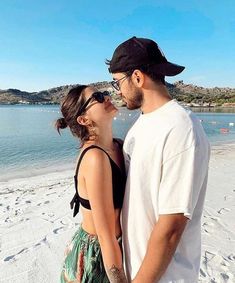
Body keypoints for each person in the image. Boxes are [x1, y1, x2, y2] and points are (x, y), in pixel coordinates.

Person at [106, 36, 210, 283]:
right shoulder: (141, 125)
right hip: (139, 270)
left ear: (138, 77)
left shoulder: (182, 128)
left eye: (117, 83)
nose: (117, 92)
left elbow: (171, 228)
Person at [55, 85, 128, 282]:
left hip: (116, 247)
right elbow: (105, 236)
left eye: (104, 93)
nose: (106, 97)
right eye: (97, 96)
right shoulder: (95, 158)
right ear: (84, 120)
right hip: (97, 255)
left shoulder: (119, 146)